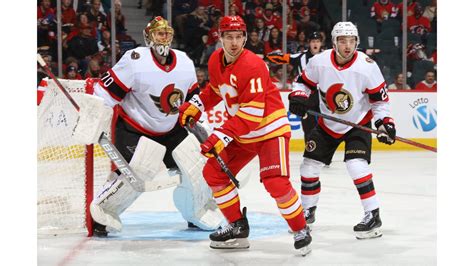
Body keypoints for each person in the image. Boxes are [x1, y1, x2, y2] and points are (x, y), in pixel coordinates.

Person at [74, 16, 223, 237]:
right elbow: (104, 94)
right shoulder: (134, 60)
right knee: (138, 171)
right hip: (134, 129)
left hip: (172, 129)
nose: (164, 38)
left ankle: (196, 212)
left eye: (167, 34)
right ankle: (104, 213)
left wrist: (201, 127)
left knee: (197, 164)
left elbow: (193, 101)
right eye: (159, 34)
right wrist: (92, 119)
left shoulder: (184, 62)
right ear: (148, 37)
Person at [178, 15, 312, 254]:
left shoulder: (253, 65)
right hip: (243, 132)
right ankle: (237, 226)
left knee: (276, 183)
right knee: (213, 172)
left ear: (245, 38)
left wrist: (220, 136)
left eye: (238, 37)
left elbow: (252, 114)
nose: (234, 42)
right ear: (220, 38)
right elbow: (216, 91)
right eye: (229, 37)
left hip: (270, 129)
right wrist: (196, 105)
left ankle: (301, 229)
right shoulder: (215, 60)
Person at [288, 22, 396, 239]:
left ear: (357, 42)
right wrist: (298, 97)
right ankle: (308, 212)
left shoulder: (367, 66)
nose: (347, 46)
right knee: (309, 167)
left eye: (352, 41)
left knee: (356, 166)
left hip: (358, 123)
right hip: (328, 124)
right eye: (342, 40)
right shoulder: (319, 62)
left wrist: (385, 123)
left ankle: (372, 214)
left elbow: (379, 102)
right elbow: (303, 84)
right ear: (334, 42)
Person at [265, 31, 324, 143]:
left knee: (325, 127)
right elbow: (283, 58)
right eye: (313, 41)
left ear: (321, 43)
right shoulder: (300, 56)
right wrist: (270, 55)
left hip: (322, 95)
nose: (315, 44)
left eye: (317, 41)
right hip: (307, 97)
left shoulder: (326, 57)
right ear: (309, 43)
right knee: (308, 127)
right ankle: (310, 150)